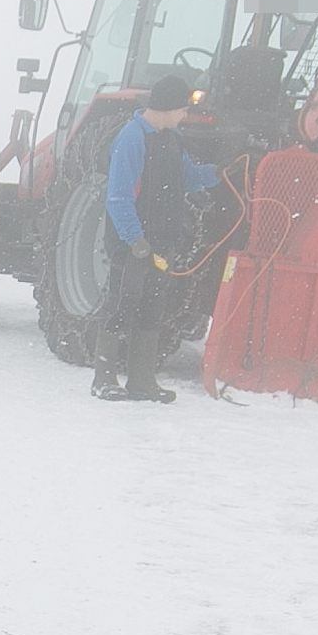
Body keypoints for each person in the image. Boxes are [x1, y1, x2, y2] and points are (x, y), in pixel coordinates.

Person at [96, 73, 227, 402]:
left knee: (152, 309)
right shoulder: (132, 138)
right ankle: (104, 378)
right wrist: (134, 239)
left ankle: (141, 381)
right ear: (169, 107)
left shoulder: (172, 139)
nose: (185, 116)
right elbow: (119, 196)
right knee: (121, 306)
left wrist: (218, 173)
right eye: (183, 109)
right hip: (134, 245)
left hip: (161, 242)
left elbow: (186, 178)